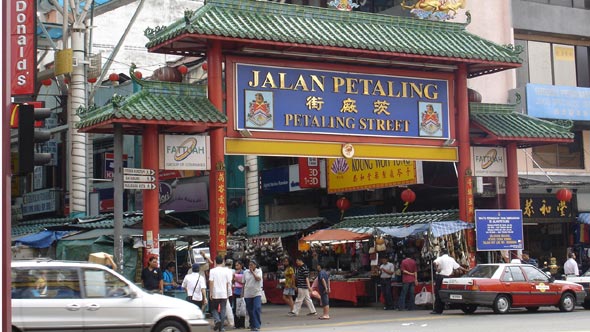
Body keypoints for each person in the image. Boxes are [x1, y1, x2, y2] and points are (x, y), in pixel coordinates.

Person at [432, 248, 467, 314]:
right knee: (444, 292)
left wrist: (436, 269)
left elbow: (434, 262)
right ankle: (443, 307)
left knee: (438, 293)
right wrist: (466, 270)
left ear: (442, 253)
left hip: (441, 277)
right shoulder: (451, 259)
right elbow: (458, 267)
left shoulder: (440, 258)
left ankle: (438, 310)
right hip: (448, 278)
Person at [209, 256, 232, 332]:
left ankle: (217, 320)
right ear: (223, 262)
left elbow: (211, 282)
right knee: (223, 310)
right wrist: (227, 293)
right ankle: (221, 328)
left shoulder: (212, 271)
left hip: (215, 293)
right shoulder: (226, 271)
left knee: (213, 309)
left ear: (215, 262)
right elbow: (227, 283)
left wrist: (211, 293)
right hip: (224, 293)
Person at [243, 260, 263, 332]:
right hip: (248, 293)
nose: (250, 266)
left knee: (256, 308)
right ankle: (252, 324)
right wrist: (242, 293)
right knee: (250, 310)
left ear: (255, 265)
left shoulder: (259, 271)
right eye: (249, 265)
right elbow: (243, 283)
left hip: (256, 293)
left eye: (252, 265)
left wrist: (253, 272)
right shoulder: (245, 272)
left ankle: (257, 325)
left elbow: (258, 279)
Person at [233, 261, 246, 329]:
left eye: (237, 265)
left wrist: (237, 280)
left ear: (241, 266)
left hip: (242, 292)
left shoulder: (244, 272)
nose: (236, 267)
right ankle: (236, 324)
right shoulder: (234, 272)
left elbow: (243, 282)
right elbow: (232, 281)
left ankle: (242, 324)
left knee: (242, 309)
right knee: (236, 308)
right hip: (236, 292)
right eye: (236, 265)